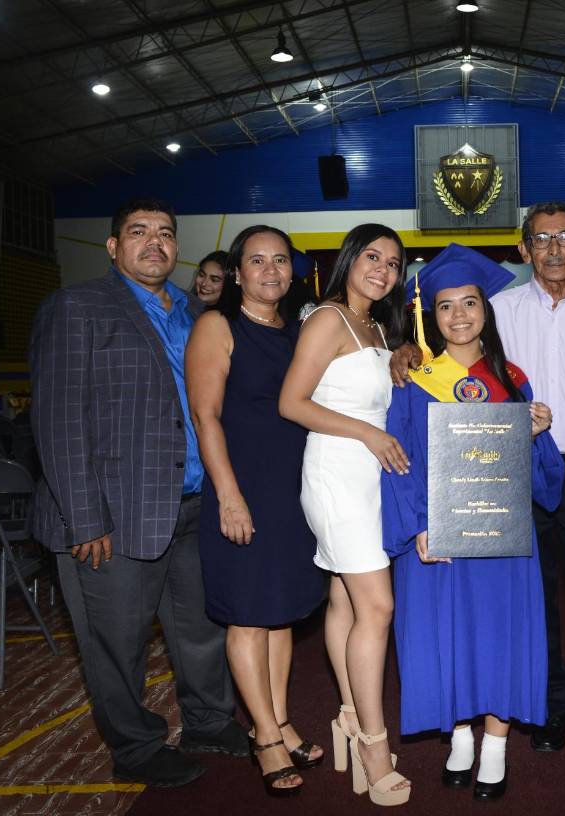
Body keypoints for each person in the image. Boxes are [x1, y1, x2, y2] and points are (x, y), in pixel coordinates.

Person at [391, 202, 565, 775]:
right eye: (541, 239)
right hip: (465, 508)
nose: (460, 312)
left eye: (564, 237)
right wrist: (404, 348)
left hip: (563, 479)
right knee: (524, 613)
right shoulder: (476, 325)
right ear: (523, 251)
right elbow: (403, 447)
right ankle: (539, 715)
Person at [29, 198, 247, 788]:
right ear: (112, 246)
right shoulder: (75, 307)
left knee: (202, 628)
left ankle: (207, 720)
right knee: (117, 641)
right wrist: (83, 519)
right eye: (139, 232)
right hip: (111, 516)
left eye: (166, 233)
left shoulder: (192, 313)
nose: (155, 242)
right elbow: (57, 420)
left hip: (191, 506)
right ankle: (135, 746)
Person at [381, 244, 565, 801]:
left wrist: (536, 433)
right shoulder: (415, 378)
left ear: (486, 309)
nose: (459, 315)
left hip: (503, 538)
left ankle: (496, 744)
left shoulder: (512, 378)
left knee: (500, 633)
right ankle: (459, 734)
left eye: (469, 303)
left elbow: (541, 478)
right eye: (444, 306)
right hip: (438, 534)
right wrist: (417, 525)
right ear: (429, 316)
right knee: (444, 632)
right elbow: (399, 457)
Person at [185, 225, 326, 797]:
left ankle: (282, 719)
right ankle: (264, 735)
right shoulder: (218, 327)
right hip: (242, 491)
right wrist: (228, 495)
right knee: (248, 614)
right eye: (256, 261)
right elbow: (206, 417)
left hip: (292, 493)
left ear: (292, 271)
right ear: (236, 272)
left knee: (281, 613)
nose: (270, 270)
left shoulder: (298, 333)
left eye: (280, 261)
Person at [279, 223, 413, 807]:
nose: (382, 268)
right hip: (336, 471)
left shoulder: (378, 325)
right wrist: (365, 432)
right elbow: (292, 402)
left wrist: (402, 357)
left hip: (371, 475)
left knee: (343, 598)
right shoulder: (327, 318)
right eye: (372, 256)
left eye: (393, 262)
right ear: (349, 260)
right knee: (377, 607)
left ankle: (348, 717)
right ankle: (374, 744)